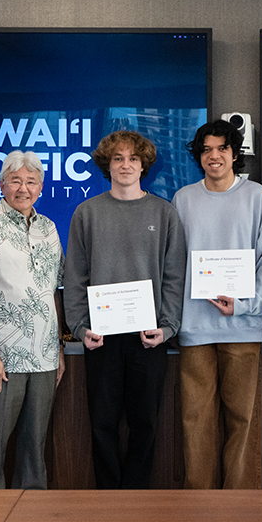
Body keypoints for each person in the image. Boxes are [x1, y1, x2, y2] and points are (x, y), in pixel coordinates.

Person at [62, 130, 186, 489]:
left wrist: (167, 327)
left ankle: (136, 499)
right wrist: (81, 328)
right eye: (118, 158)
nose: (126, 165)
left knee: (145, 424)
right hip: (101, 339)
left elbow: (175, 277)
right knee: (101, 424)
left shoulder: (164, 213)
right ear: (107, 164)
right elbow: (75, 278)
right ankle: (107, 501)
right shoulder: (87, 213)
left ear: (144, 164)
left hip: (149, 337)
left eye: (133, 158)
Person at [171, 120, 262, 489]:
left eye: (221, 148)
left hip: (242, 326)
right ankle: (199, 504)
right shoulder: (183, 199)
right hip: (195, 326)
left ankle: (240, 505)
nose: (214, 156)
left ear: (235, 154)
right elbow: (173, 263)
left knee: (243, 420)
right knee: (195, 419)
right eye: (206, 150)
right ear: (198, 156)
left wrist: (246, 305)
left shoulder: (258, 198)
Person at [0, 150, 67, 490]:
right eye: (16, 181)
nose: (24, 188)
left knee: (35, 449)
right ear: (2, 184)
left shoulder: (49, 229)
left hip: (45, 357)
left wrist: (59, 348)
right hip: (1, 358)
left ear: (40, 187)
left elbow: (53, 291)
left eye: (31, 182)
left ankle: (33, 511)